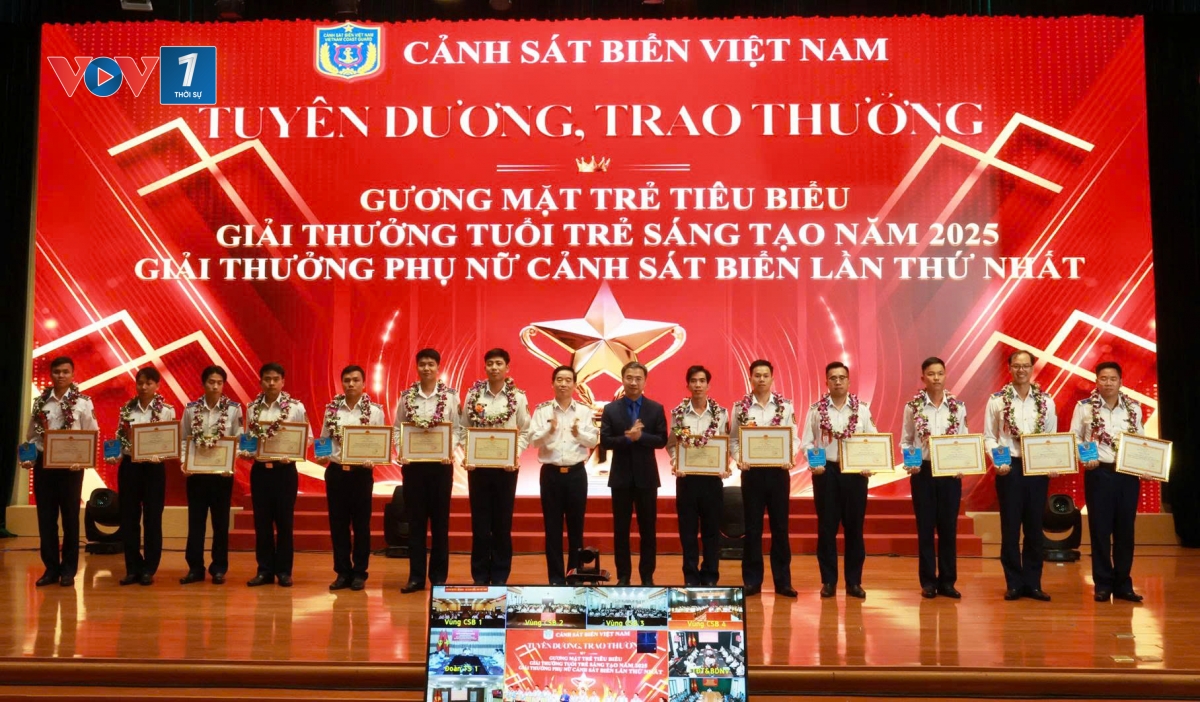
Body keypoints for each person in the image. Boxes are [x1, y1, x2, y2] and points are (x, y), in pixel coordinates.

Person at [983, 350, 1058, 602]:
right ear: (1009, 369)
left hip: (1036, 469)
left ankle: (1033, 583)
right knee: (1010, 528)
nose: (1021, 370)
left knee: (1035, 529)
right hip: (1010, 468)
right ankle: (1014, 583)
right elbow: (990, 437)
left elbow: (1051, 436)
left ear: (1032, 369)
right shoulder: (997, 401)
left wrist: (1052, 461)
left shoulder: (1046, 401)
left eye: (1026, 366)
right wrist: (998, 461)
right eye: (1016, 366)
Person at [800, 361, 877, 599]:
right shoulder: (816, 410)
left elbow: (874, 440)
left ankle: (854, 582)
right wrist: (815, 463)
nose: (838, 382)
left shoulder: (862, 410)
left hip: (855, 474)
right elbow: (807, 442)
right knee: (827, 529)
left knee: (854, 529)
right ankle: (828, 581)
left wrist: (870, 464)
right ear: (826, 382)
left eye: (842, 377)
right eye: (833, 378)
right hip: (827, 473)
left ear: (849, 381)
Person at [1071, 361, 1145, 603]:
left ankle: (1123, 584)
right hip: (1098, 473)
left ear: (1121, 382)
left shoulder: (1134, 409)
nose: (1108, 383)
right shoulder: (1084, 408)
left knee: (1125, 531)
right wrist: (1085, 457)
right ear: (1097, 381)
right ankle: (1102, 584)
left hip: (1127, 475)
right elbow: (1075, 438)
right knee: (1100, 530)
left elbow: (1141, 442)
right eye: (1103, 378)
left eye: (1113, 379)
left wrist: (1145, 466)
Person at [20, 356, 97, 587]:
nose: (61, 376)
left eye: (65, 372)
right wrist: (29, 457)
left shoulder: (83, 402)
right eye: (56, 372)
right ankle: (51, 569)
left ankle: (68, 571)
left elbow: (91, 433)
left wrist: (82, 461)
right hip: (44, 466)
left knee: (70, 519)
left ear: (73, 374)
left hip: (72, 468)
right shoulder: (40, 402)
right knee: (46, 519)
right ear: (50, 374)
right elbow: (32, 437)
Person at [459, 348, 531, 585]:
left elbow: (526, 430)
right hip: (478, 469)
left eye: (499, 363)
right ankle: (479, 576)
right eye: (490, 363)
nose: (494, 367)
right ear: (485, 367)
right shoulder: (473, 396)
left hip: (506, 470)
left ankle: (500, 576)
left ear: (507, 368)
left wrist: (514, 455)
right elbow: (463, 428)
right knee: (480, 525)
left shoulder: (518, 397)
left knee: (502, 524)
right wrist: (468, 453)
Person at [729, 359, 797, 598]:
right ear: (750, 378)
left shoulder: (785, 407)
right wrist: (739, 458)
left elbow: (794, 437)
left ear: (772, 378)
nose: (761, 379)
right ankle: (752, 580)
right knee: (753, 528)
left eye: (765, 375)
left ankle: (783, 582)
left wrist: (789, 456)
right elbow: (734, 440)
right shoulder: (740, 408)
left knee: (780, 528)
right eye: (757, 375)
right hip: (752, 474)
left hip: (779, 473)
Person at [394, 348, 460, 593]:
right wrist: (401, 450)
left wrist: (449, 450)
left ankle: (439, 577)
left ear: (438, 367)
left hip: (441, 468)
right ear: (417, 367)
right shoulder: (406, 397)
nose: (426, 368)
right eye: (422, 364)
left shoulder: (450, 397)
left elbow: (459, 429)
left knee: (440, 524)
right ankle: (416, 577)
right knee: (416, 523)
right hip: (414, 468)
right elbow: (397, 428)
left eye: (431, 364)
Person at [901, 356, 967, 599]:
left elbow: (964, 439)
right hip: (924, 472)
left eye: (940, 373)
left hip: (950, 472)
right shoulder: (913, 407)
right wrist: (912, 462)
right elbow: (906, 440)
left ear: (945, 375)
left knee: (949, 528)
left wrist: (962, 463)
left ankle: (948, 581)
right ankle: (928, 582)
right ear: (923, 378)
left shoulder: (958, 407)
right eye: (931, 374)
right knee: (925, 528)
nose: (936, 378)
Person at [316, 364, 385, 591]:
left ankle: (360, 573)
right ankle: (342, 572)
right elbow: (324, 437)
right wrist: (321, 455)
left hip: (361, 474)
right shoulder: (332, 410)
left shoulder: (374, 411)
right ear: (342, 383)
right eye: (347, 380)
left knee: (361, 525)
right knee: (338, 525)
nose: (351, 384)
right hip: (336, 472)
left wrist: (373, 459)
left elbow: (379, 442)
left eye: (355, 380)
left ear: (364, 383)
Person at [105, 366, 176, 586]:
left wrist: (161, 455)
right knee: (129, 519)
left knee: (153, 519)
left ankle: (149, 569)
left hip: (154, 469)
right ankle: (132, 568)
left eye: (149, 383)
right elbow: (120, 438)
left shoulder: (166, 411)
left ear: (157, 386)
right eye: (140, 383)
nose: (144, 387)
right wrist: (114, 455)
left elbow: (170, 442)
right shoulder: (127, 410)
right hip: (130, 467)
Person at [528, 365, 599, 584]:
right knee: (552, 529)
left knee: (576, 528)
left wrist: (578, 433)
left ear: (575, 385)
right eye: (559, 379)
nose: (563, 384)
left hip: (576, 474)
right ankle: (556, 578)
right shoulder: (542, 411)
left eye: (568, 380)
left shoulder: (584, 411)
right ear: (552, 383)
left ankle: (574, 576)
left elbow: (594, 440)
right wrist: (549, 431)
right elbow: (532, 441)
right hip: (551, 474)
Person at [600, 361, 668, 586]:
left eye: (638, 378)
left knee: (648, 530)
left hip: (647, 478)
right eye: (629, 378)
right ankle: (624, 576)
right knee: (621, 530)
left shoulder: (655, 408)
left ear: (645, 381)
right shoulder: (611, 409)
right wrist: (628, 438)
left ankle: (647, 576)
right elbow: (605, 441)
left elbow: (661, 440)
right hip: (620, 478)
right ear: (622, 379)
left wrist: (642, 437)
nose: (633, 382)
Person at [241, 362, 309, 587]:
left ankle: (284, 571)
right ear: (260, 382)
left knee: (284, 523)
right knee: (262, 523)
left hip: (285, 472)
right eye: (267, 379)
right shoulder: (253, 408)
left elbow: (308, 437)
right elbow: (248, 437)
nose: (271, 383)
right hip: (260, 472)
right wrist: (246, 452)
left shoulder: (296, 408)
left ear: (283, 382)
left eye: (275, 379)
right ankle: (264, 570)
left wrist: (294, 453)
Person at [179, 365, 243, 585]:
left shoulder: (234, 410)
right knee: (195, 523)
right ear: (203, 383)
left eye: (219, 383)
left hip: (222, 476)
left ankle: (219, 568)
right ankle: (195, 568)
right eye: (211, 382)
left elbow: (239, 440)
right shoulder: (191, 409)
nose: (215, 386)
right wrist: (184, 462)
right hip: (196, 476)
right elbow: (184, 439)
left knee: (220, 523)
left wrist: (230, 462)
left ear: (223, 385)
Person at [667, 365, 730, 586]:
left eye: (702, 381)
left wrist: (725, 465)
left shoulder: (721, 413)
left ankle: (711, 576)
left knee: (712, 532)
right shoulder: (678, 413)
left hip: (712, 480)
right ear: (687, 385)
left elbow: (726, 443)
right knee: (688, 532)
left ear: (708, 385)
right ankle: (691, 577)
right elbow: (672, 444)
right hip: (687, 480)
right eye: (693, 381)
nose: (698, 385)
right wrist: (676, 462)